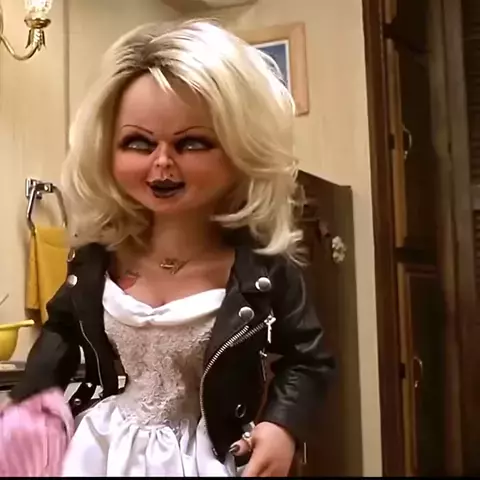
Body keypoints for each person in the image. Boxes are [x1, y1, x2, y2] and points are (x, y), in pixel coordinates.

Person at [7, 19, 334, 477]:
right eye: (138, 142)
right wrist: (27, 410)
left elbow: (309, 359)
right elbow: (62, 330)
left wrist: (283, 426)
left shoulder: (261, 270)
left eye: (192, 143)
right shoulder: (98, 257)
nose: (162, 163)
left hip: (208, 454)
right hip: (101, 450)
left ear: (239, 150)